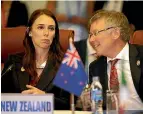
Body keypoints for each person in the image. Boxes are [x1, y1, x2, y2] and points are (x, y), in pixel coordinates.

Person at [1, 9, 70, 110]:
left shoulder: (65, 63)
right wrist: (20, 100)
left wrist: (45, 98)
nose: (46, 33)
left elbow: (70, 103)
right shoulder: (14, 62)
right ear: (29, 32)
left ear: (55, 34)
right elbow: (2, 97)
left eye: (51, 29)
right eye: (40, 27)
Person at [89, 10, 143, 110]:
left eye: (95, 33)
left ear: (115, 33)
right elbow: (97, 106)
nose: (91, 40)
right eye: (90, 35)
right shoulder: (95, 67)